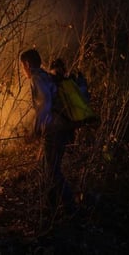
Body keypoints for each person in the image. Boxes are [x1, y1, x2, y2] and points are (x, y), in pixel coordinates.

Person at [20, 49, 76, 217]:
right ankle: (49, 207)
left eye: (22, 66)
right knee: (48, 168)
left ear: (27, 65)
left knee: (52, 170)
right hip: (62, 128)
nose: (23, 71)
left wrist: (36, 131)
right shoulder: (46, 75)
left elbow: (44, 104)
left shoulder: (37, 78)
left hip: (54, 130)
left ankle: (70, 207)